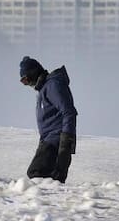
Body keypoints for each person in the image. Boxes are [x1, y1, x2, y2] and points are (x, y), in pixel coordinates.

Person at [19, 55, 77, 183]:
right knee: (52, 180)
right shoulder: (45, 89)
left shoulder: (53, 86)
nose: (27, 84)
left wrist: (66, 140)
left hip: (56, 140)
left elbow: (69, 111)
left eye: (25, 79)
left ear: (33, 73)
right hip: (49, 140)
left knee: (36, 174)